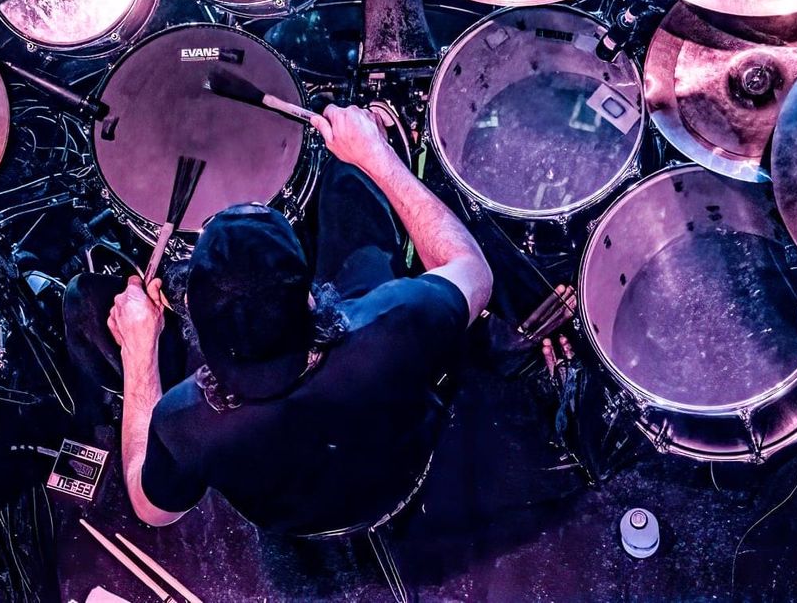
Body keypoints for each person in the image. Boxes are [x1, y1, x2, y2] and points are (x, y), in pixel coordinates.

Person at [63, 102, 493, 536]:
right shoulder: (393, 323)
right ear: (310, 296)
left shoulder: (186, 420)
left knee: (85, 299)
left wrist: (139, 353)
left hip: (296, 520)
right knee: (350, 180)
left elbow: (151, 510)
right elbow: (474, 272)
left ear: (190, 312)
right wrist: (377, 157)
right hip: (403, 471)